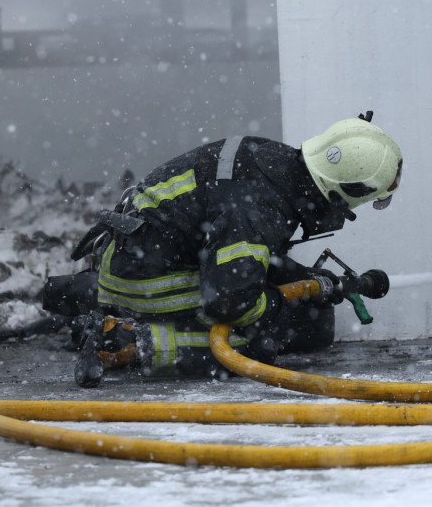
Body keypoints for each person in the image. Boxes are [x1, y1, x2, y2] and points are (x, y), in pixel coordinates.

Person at [42, 112, 403, 385]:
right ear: (344, 192)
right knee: (261, 338)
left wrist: (303, 278)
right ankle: (124, 340)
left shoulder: (274, 164)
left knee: (300, 316)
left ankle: (102, 307)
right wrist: (277, 305)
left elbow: (249, 250)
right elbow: (228, 300)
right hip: (143, 276)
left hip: (140, 255)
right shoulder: (260, 205)